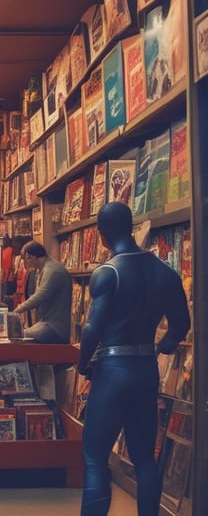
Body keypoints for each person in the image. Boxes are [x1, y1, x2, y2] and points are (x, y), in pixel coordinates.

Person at [77, 202, 190, 516]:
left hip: (112, 370)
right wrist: (162, 347)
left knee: (95, 458)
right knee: (144, 460)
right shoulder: (166, 273)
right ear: (130, 228)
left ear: (102, 236)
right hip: (145, 369)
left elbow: (92, 329)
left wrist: (83, 364)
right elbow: (182, 324)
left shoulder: (108, 272)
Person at [13, 240, 72, 343]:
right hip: (46, 323)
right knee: (21, 335)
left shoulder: (53, 270)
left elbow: (40, 296)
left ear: (31, 257)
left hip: (54, 326)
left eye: (26, 260)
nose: (25, 264)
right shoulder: (43, 269)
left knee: (21, 336)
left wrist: (18, 310)